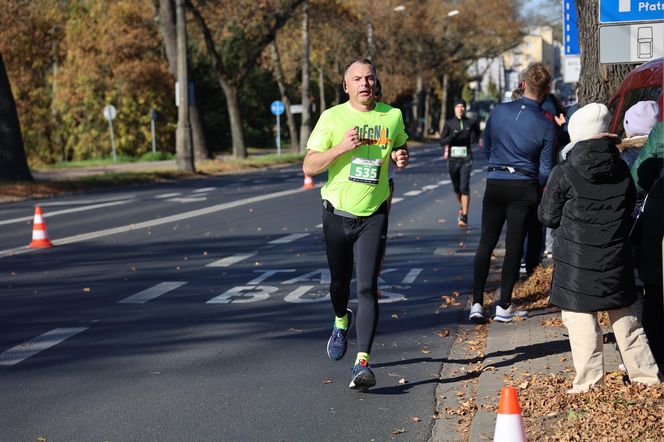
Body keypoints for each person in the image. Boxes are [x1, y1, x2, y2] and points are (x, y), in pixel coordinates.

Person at [538, 103, 662, 393]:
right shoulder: (621, 167)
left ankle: (588, 384)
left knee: (581, 324)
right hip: (615, 257)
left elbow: (548, 217)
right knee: (628, 322)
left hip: (575, 264)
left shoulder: (564, 172)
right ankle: (648, 379)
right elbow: (629, 204)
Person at [302, 58, 409, 390]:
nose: (365, 83)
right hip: (336, 214)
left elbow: (400, 142)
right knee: (339, 286)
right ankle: (340, 319)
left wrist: (399, 155)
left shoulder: (392, 116)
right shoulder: (332, 117)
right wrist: (340, 148)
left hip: (373, 214)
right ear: (345, 85)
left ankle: (362, 362)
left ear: (377, 82)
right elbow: (309, 164)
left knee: (366, 287)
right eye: (357, 78)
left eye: (370, 78)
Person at [469, 62, 556, 323]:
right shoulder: (546, 124)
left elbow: (487, 147)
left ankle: (476, 302)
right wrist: (533, 182)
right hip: (523, 184)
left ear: (522, 84)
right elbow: (546, 168)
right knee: (513, 245)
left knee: (486, 241)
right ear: (547, 89)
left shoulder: (498, 111)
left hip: (496, 180)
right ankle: (504, 305)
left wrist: (497, 162)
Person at [631, 122, 664, 372]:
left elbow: (639, 180)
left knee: (655, 289)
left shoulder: (661, 132)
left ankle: (658, 355)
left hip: (660, 215)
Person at [439, 99, 481, 226]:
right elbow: (441, 141)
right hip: (453, 159)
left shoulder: (471, 122)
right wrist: (452, 137)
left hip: (466, 158)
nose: (460, 109)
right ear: (454, 108)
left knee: (464, 188)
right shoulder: (449, 123)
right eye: (458, 106)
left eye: (462, 106)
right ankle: (462, 206)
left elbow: (478, 133)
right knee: (457, 188)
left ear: (465, 108)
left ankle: (464, 216)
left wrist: (474, 138)